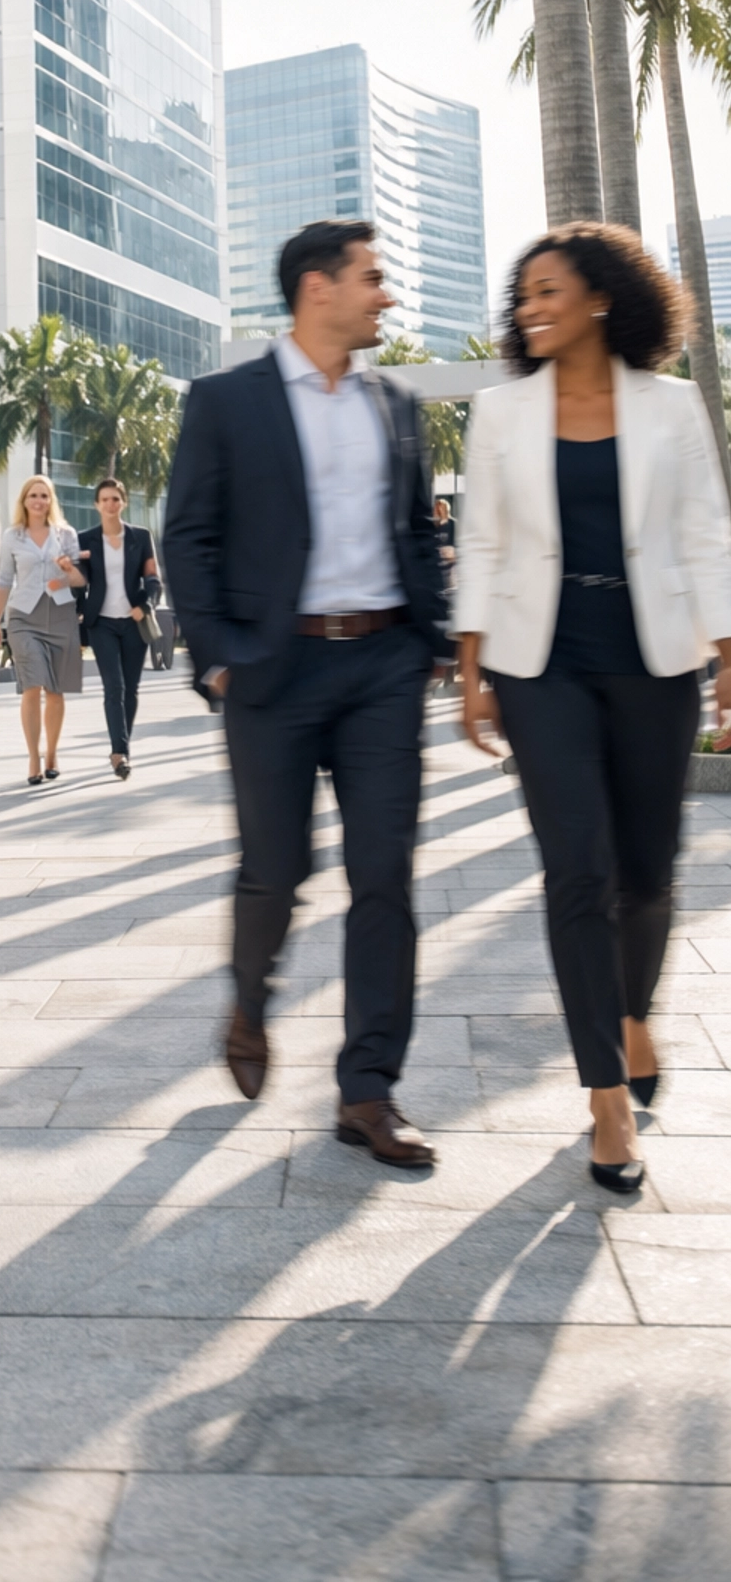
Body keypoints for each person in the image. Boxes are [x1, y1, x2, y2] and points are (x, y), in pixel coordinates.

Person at [164, 219, 452, 1168]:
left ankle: (368, 1091)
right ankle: (250, 1000)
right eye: (374, 277)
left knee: (384, 877)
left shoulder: (395, 403)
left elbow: (418, 531)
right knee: (275, 871)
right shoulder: (227, 401)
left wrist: (431, 639)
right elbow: (189, 536)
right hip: (274, 670)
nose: (387, 295)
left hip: (383, 667)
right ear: (317, 288)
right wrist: (219, 657)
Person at [457, 224, 731, 1193]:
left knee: (646, 876)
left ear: (603, 299)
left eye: (548, 290)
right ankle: (606, 1098)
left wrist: (728, 653)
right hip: (542, 666)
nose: (529, 307)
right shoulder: (500, 412)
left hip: (655, 660)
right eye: (522, 293)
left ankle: (633, 1013)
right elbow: (482, 541)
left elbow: (705, 533)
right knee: (577, 871)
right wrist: (472, 668)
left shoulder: (671, 405)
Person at [0, 477, 86, 784]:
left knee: (56, 690)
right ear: (24, 500)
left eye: (44, 495)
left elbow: (80, 580)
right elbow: (4, 580)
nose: (39, 500)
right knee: (32, 686)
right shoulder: (13, 536)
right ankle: (33, 758)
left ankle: (52, 753)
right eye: (33, 495)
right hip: (23, 617)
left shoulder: (66, 534)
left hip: (60, 615)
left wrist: (68, 570)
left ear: (51, 500)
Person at [77, 477, 161, 779]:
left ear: (123, 502)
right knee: (114, 687)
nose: (110, 504)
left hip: (134, 622)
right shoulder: (85, 539)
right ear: (96, 504)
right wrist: (79, 617)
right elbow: (79, 582)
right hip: (101, 623)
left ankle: (122, 748)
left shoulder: (141, 537)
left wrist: (146, 605)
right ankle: (119, 752)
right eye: (105, 500)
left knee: (131, 689)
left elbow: (153, 579)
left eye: (115, 499)